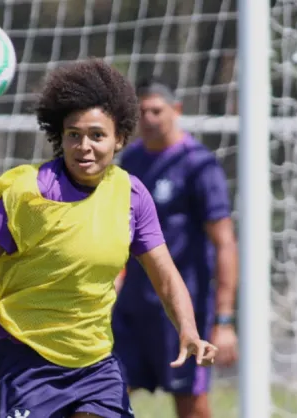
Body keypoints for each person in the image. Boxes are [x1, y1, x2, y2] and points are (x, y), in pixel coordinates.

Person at [0, 59, 218, 418]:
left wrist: (188, 330)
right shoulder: (29, 193)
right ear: (59, 136)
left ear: (120, 138)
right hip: (25, 365)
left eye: (97, 135)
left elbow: (165, 273)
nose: (84, 146)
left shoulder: (131, 195)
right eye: (73, 134)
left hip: (95, 365)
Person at [111, 76, 240, 418]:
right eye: (141, 112)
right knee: (103, 393)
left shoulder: (199, 164)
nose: (149, 119)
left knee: (191, 405)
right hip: (133, 307)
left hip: (183, 308)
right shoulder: (132, 159)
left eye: (156, 110)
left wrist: (224, 320)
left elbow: (224, 242)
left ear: (176, 111)